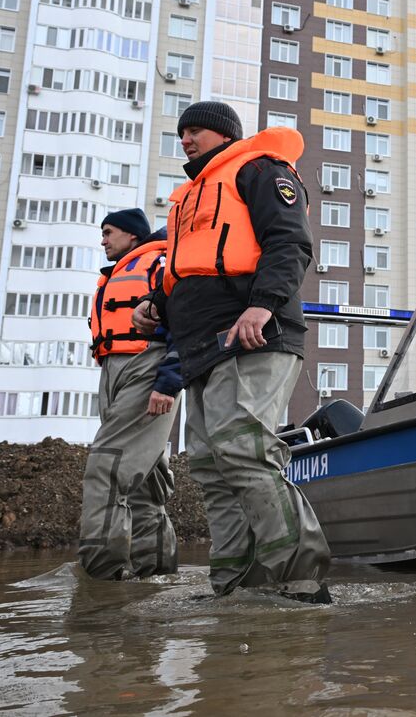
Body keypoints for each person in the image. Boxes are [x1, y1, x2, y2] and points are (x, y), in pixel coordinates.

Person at [132, 101, 331, 601]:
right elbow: (189, 268)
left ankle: (299, 580)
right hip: (201, 346)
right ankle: (235, 586)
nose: (185, 140)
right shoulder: (189, 198)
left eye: (195, 131)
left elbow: (290, 242)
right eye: (181, 133)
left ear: (224, 134)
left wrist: (262, 305)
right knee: (209, 464)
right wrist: (156, 303)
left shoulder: (259, 170)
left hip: (254, 334)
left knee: (243, 449)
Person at [78, 209, 181, 580]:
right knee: (144, 480)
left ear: (133, 235)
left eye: (109, 232)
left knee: (107, 467)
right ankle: (156, 576)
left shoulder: (158, 263)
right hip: (114, 370)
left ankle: (102, 578)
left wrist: (168, 381)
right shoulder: (117, 274)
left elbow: (183, 319)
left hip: (146, 366)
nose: (103, 240)